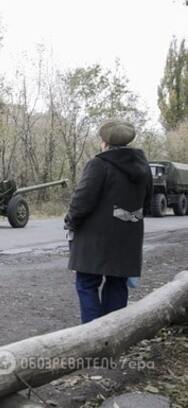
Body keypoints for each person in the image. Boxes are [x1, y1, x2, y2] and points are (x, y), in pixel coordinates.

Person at [65, 119, 152, 324]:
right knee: (117, 285)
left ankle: (92, 336)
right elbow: (146, 203)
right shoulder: (143, 166)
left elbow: (82, 200)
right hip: (127, 239)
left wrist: (71, 221)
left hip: (95, 240)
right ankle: (111, 334)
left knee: (87, 284)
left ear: (104, 142)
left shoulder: (99, 164)